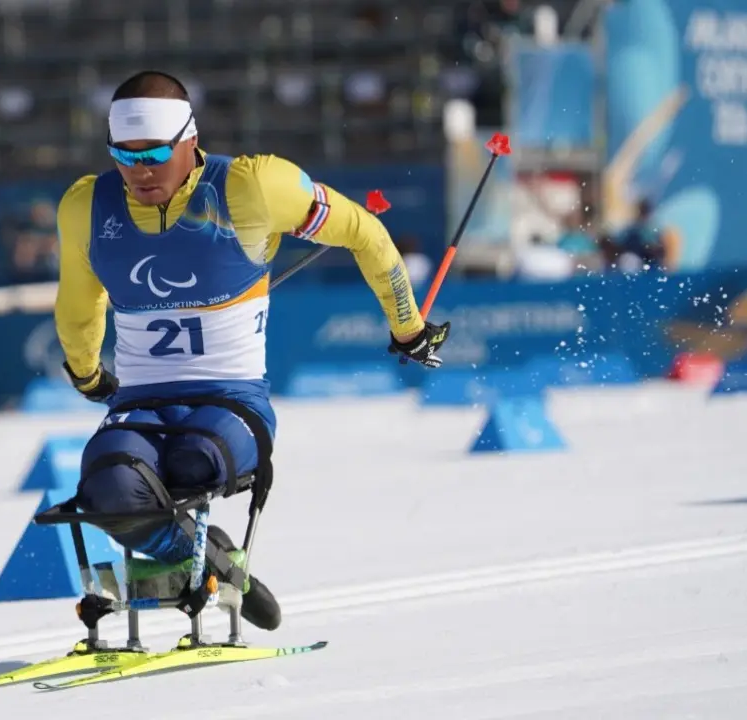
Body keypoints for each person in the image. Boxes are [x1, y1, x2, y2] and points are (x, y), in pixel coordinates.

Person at [53, 70, 451, 632]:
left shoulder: (252, 188)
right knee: (108, 485)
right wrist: (88, 374)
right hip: (141, 405)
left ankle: (194, 559)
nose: (139, 171)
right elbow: (78, 302)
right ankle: (202, 557)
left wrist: (408, 328)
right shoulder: (85, 206)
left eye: (156, 153)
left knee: (192, 464)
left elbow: (363, 231)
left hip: (232, 405)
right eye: (124, 154)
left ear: (191, 139)